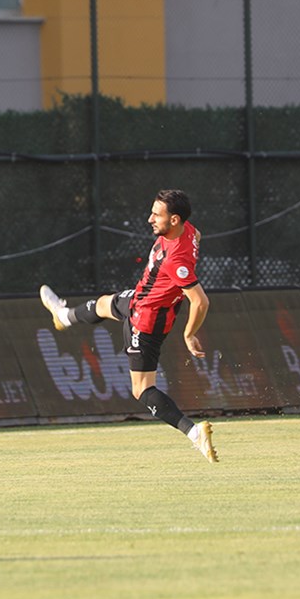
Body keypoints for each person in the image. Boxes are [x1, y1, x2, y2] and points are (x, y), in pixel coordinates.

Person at [39, 189, 218, 463]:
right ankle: (63, 316)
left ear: (174, 220)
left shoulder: (175, 260)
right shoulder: (189, 231)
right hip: (141, 298)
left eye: (157, 215)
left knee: (142, 390)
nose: (150, 219)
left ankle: (194, 433)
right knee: (104, 304)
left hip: (146, 320)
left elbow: (201, 302)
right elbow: (196, 239)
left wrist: (189, 333)